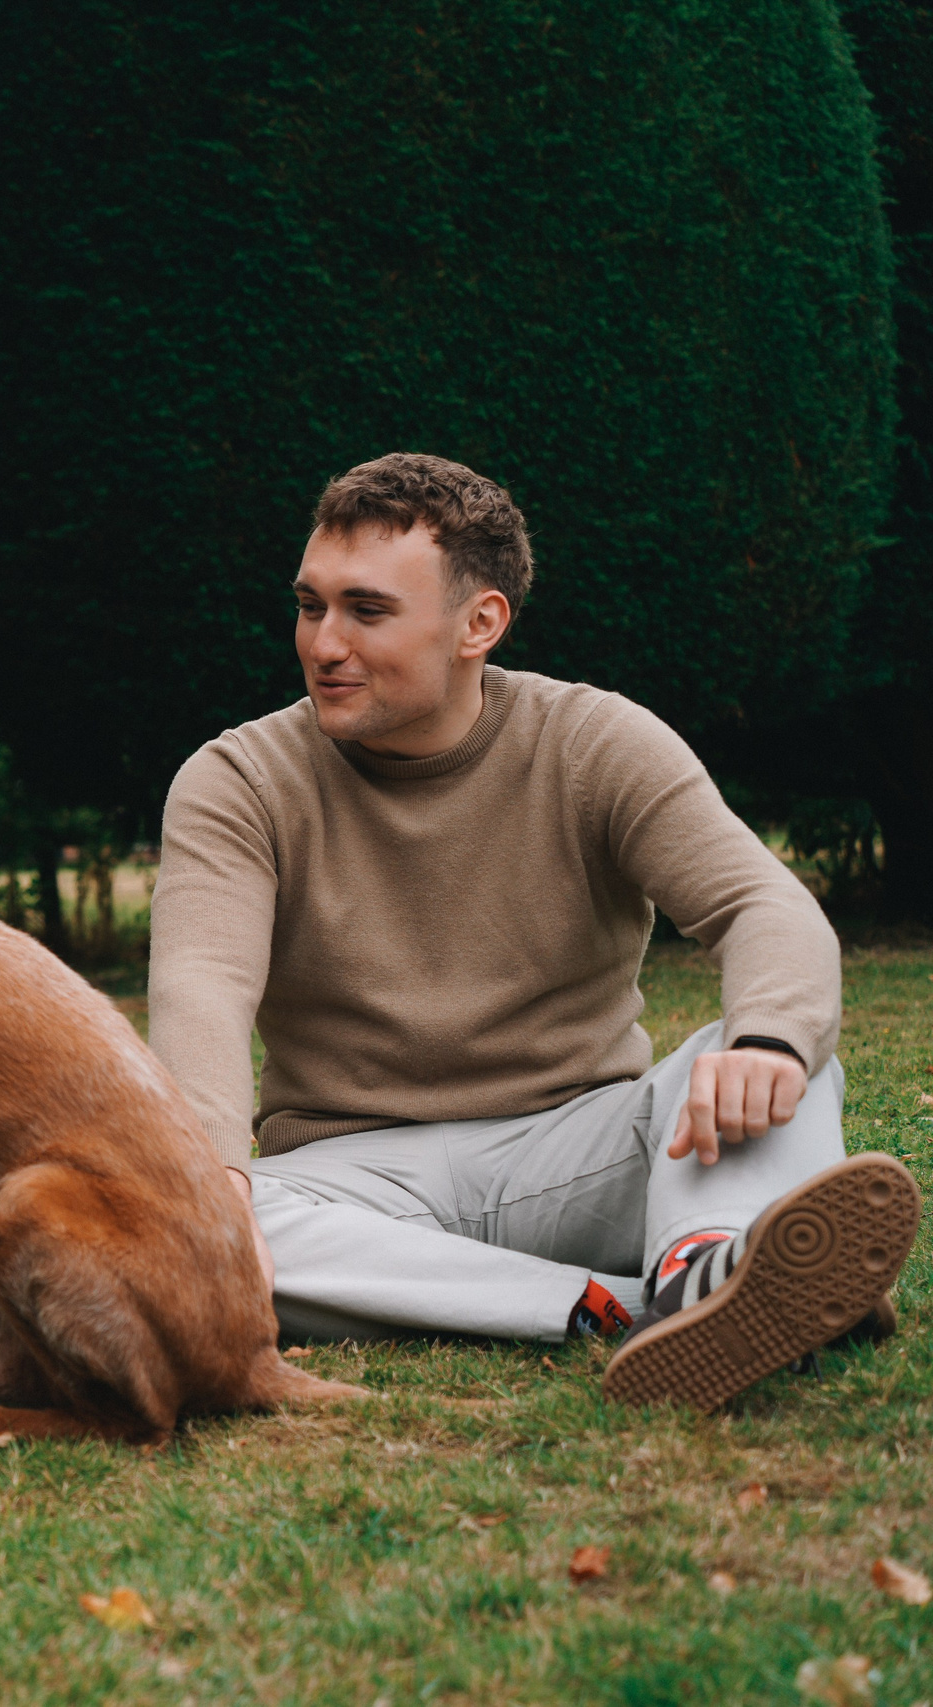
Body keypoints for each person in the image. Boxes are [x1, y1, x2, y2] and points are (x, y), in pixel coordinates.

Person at [148, 452, 921, 1409]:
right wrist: (213, 1178)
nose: (324, 643)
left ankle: (707, 1258)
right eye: (311, 606)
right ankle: (652, 1307)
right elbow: (203, 984)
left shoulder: (594, 741)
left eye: (367, 610)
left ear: (480, 624)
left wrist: (766, 1041)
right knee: (188, 1222)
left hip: (583, 1150)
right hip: (353, 1179)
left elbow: (762, 904)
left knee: (774, 1057)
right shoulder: (238, 779)